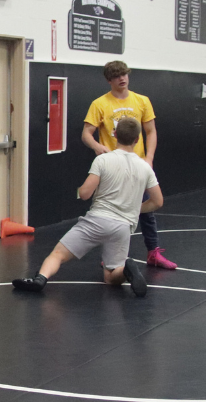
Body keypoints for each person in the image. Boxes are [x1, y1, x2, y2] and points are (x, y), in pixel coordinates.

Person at [13, 117, 163, 297]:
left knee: (58, 254)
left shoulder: (103, 160)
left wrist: (81, 189)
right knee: (110, 276)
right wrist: (134, 209)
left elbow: (85, 194)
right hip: (123, 226)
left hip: (97, 220)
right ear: (138, 139)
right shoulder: (145, 168)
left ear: (114, 135)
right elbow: (157, 201)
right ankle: (125, 271)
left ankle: (40, 280)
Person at [82, 60, 176, 270]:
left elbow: (151, 131)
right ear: (109, 80)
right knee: (109, 211)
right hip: (113, 167)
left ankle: (153, 252)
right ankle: (110, 256)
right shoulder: (100, 104)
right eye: (116, 76)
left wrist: (149, 158)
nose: (122, 79)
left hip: (137, 163)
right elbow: (86, 134)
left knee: (148, 210)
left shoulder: (142, 101)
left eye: (124, 74)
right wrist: (98, 146)